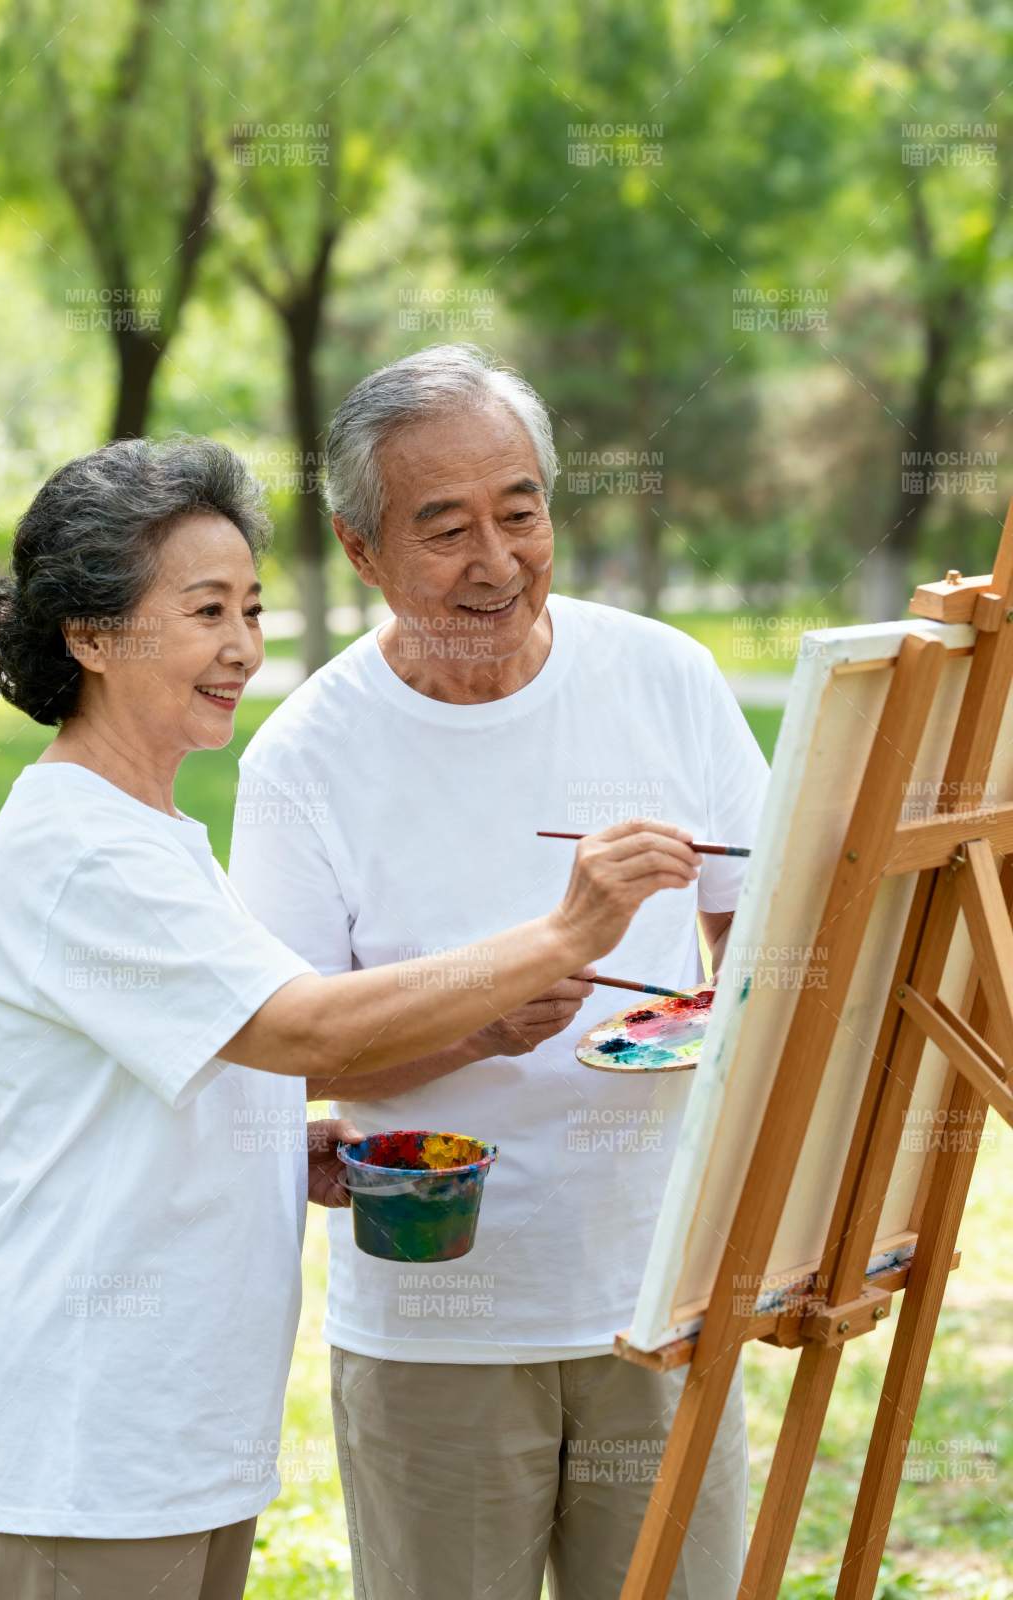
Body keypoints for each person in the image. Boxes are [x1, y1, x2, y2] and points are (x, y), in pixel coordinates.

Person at [0, 433, 701, 1600]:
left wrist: (288, 1132)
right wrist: (562, 936)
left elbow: (218, 1057)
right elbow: (305, 1028)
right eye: (204, 611)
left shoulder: (157, 837)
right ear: (90, 637)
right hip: (87, 1447)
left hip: (180, 1445)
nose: (242, 646)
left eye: (250, 608)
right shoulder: (80, 849)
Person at [229, 346, 771, 1599]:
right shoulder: (305, 759)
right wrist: (479, 1027)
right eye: (446, 529)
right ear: (361, 549)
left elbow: (763, 937)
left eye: (520, 512)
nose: (498, 561)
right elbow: (293, 1051)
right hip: (437, 1317)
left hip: (659, 1286)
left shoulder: (665, 676)